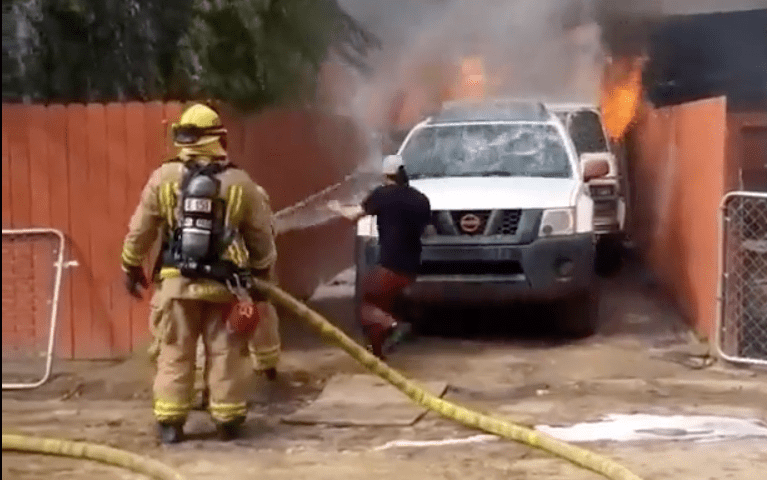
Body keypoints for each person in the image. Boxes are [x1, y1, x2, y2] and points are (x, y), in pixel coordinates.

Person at [121, 103, 278, 444]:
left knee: (174, 353)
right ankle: (227, 420)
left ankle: (171, 423)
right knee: (225, 353)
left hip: (176, 285)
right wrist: (262, 276)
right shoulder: (239, 182)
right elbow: (261, 237)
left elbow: (141, 228)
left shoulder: (163, 177)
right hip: (225, 287)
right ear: (218, 137)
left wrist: (130, 264)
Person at [328, 154, 431, 358]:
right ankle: (377, 352)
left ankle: (395, 326)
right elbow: (426, 229)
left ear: (385, 175)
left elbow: (354, 215)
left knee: (366, 305)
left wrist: (336, 207)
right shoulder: (420, 198)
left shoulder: (382, 195)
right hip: (412, 268)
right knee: (382, 305)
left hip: (390, 266)